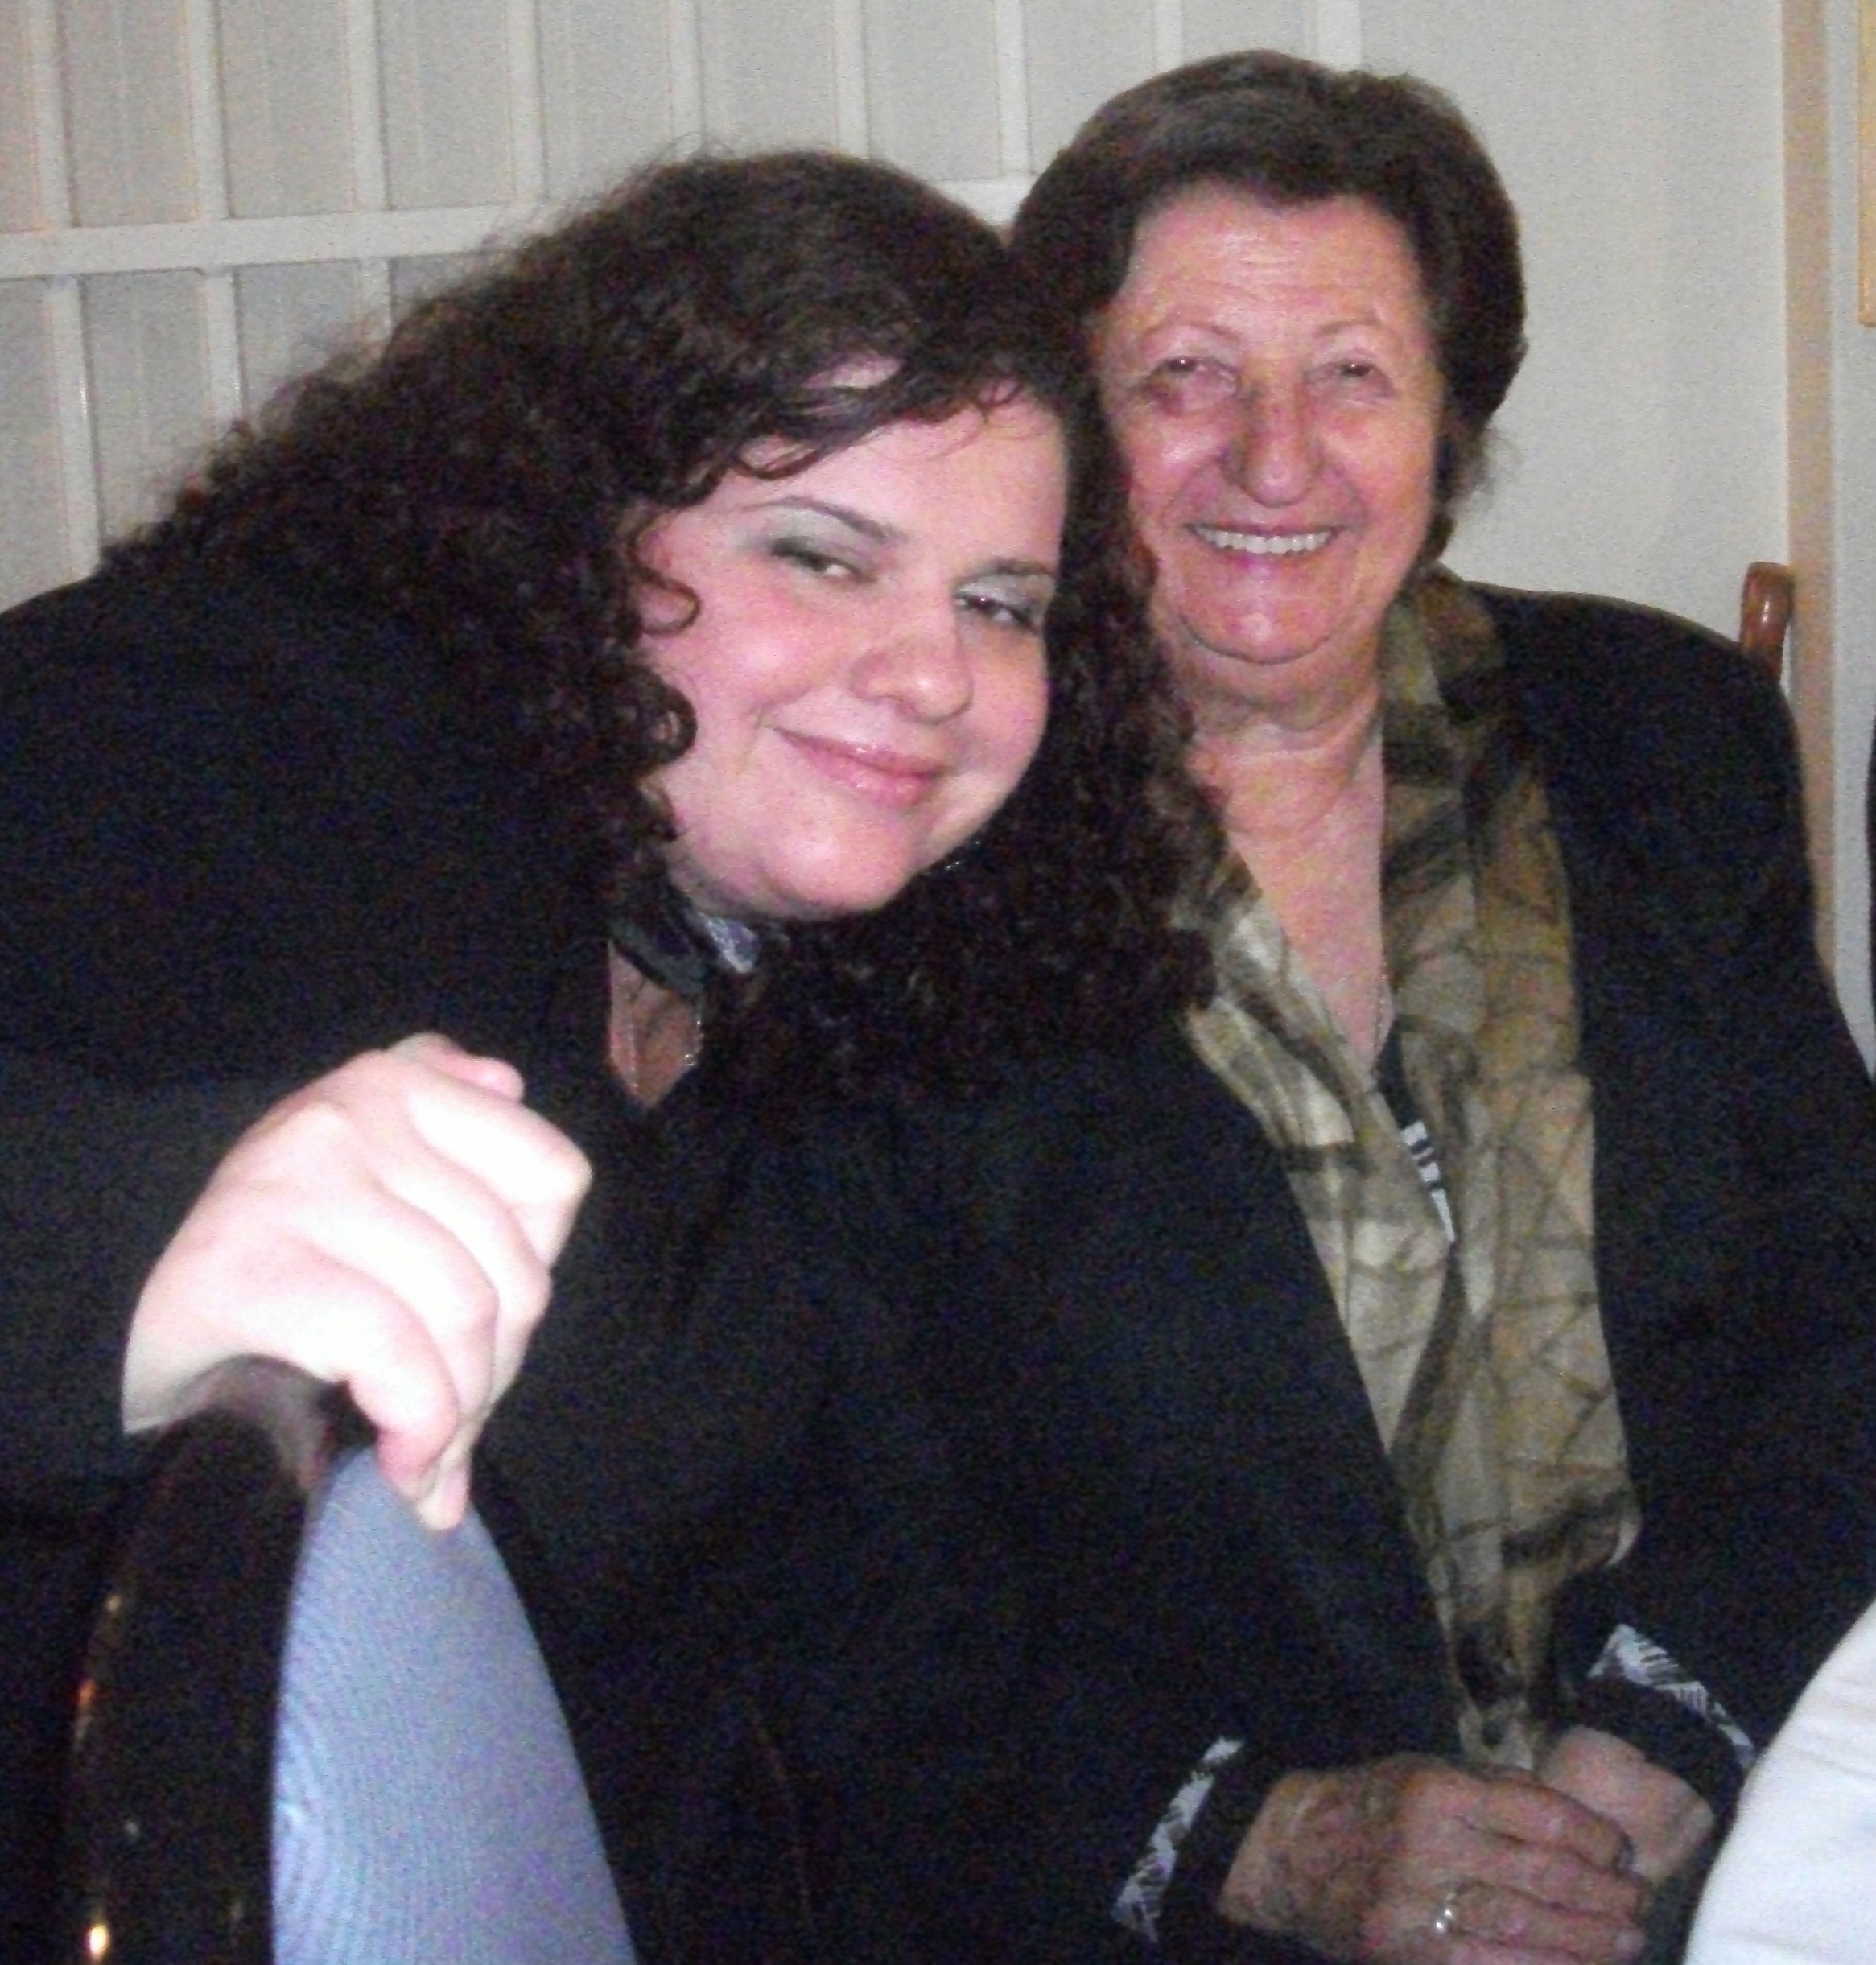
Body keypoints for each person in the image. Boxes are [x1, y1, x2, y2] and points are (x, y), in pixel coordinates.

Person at [0, 149, 1215, 1959]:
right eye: (820, 556)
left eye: (1000, 603)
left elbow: (864, 1640)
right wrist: (131, 1261)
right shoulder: (240, 725)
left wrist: (1236, 1837)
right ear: (569, 533)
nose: (934, 675)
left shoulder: (810, 980)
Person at [728, 48, 1876, 1963]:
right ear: (1072, 423)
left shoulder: (1654, 738)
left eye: (1350, 374)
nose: (1272, 461)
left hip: (1724, 1821)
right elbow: (839, 1575)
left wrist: (1670, 1726)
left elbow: (1841, 1300)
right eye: (1184, 377)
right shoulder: (903, 848)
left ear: (1447, 422)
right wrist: (1265, 1843)